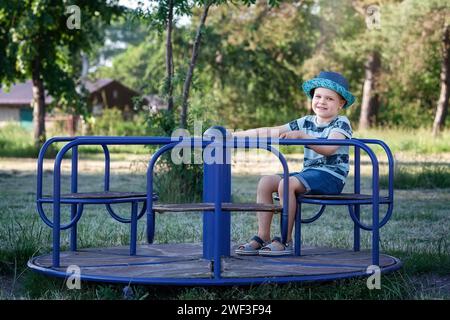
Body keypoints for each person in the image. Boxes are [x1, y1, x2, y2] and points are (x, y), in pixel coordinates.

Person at [233, 71, 355, 256]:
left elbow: (329, 148)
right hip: (309, 173)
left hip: (331, 177)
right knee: (266, 182)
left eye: (329, 98)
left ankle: (285, 240)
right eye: (318, 96)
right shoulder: (305, 121)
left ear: (341, 104)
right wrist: (233, 135)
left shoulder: (341, 123)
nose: (322, 101)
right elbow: (271, 131)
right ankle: (262, 236)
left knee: (286, 184)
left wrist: (302, 136)